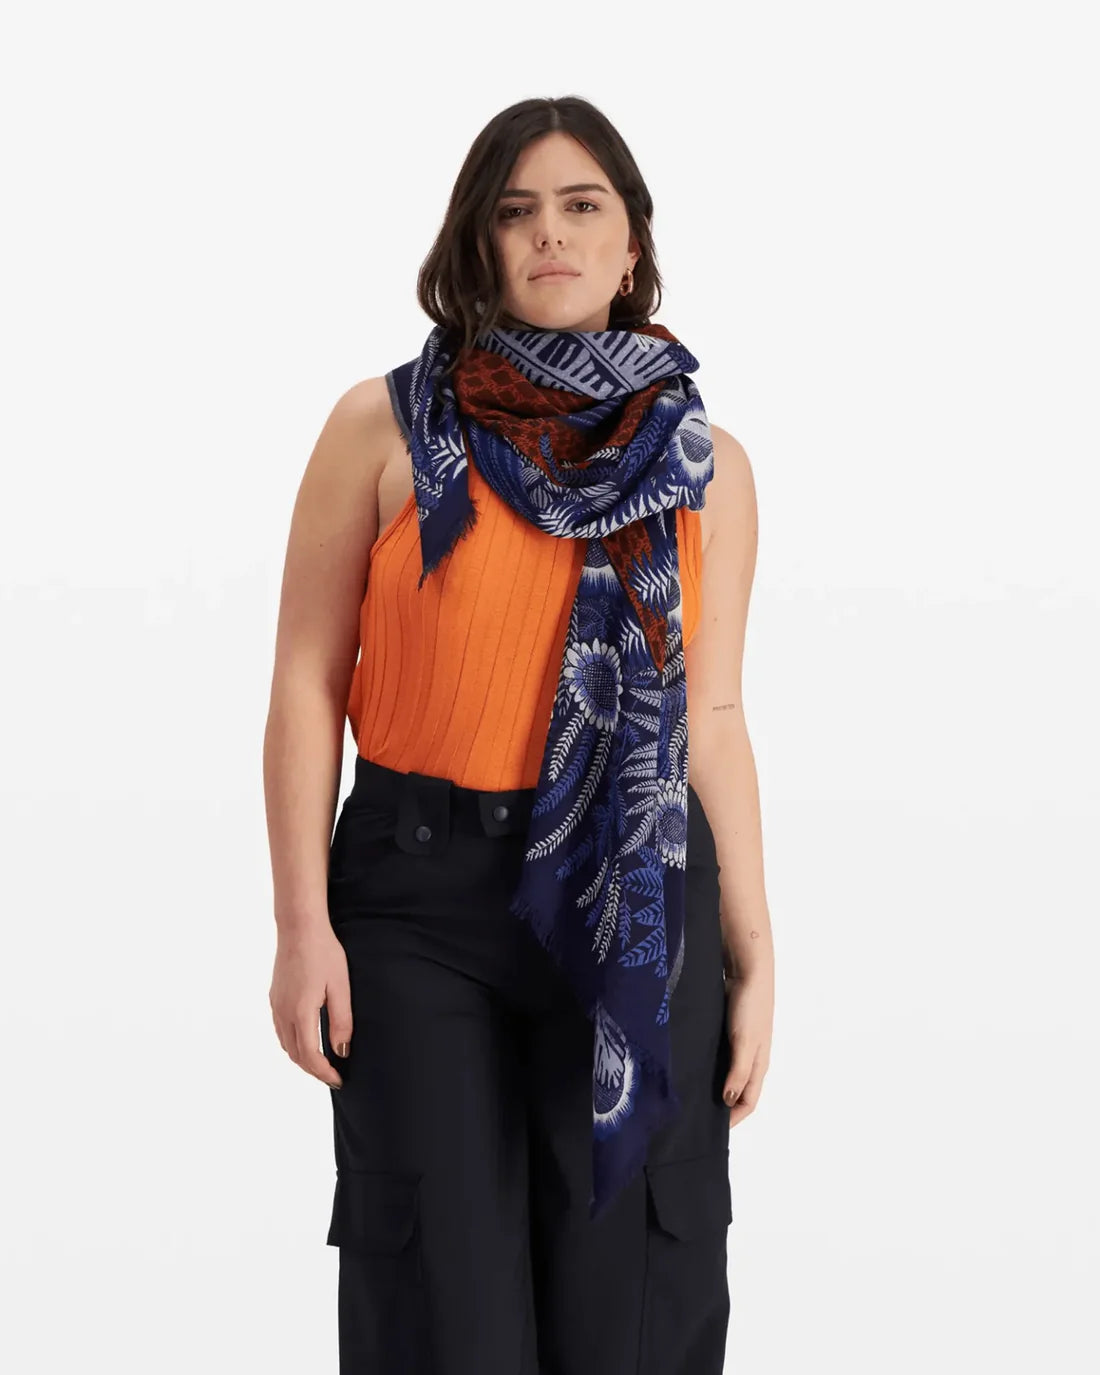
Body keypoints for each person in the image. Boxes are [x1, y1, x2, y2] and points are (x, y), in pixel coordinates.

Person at [263, 94, 774, 1375]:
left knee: (630, 1309)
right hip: (416, 903)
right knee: (445, 1314)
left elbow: (711, 713)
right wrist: (299, 924)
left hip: (637, 892)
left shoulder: (707, 463)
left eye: (580, 205)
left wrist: (755, 946)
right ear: (478, 243)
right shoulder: (383, 428)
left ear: (629, 243)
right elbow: (305, 679)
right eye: (515, 210)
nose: (549, 233)